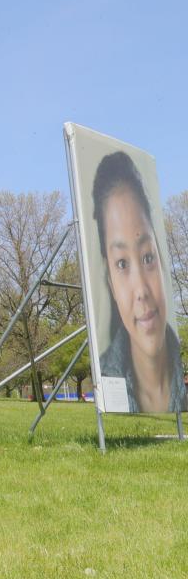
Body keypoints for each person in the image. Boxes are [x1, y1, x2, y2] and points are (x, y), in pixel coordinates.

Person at [92, 151, 186, 413]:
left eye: (147, 257)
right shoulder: (106, 370)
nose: (141, 290)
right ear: (109, 280)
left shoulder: (179, 370)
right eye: (122, 264)